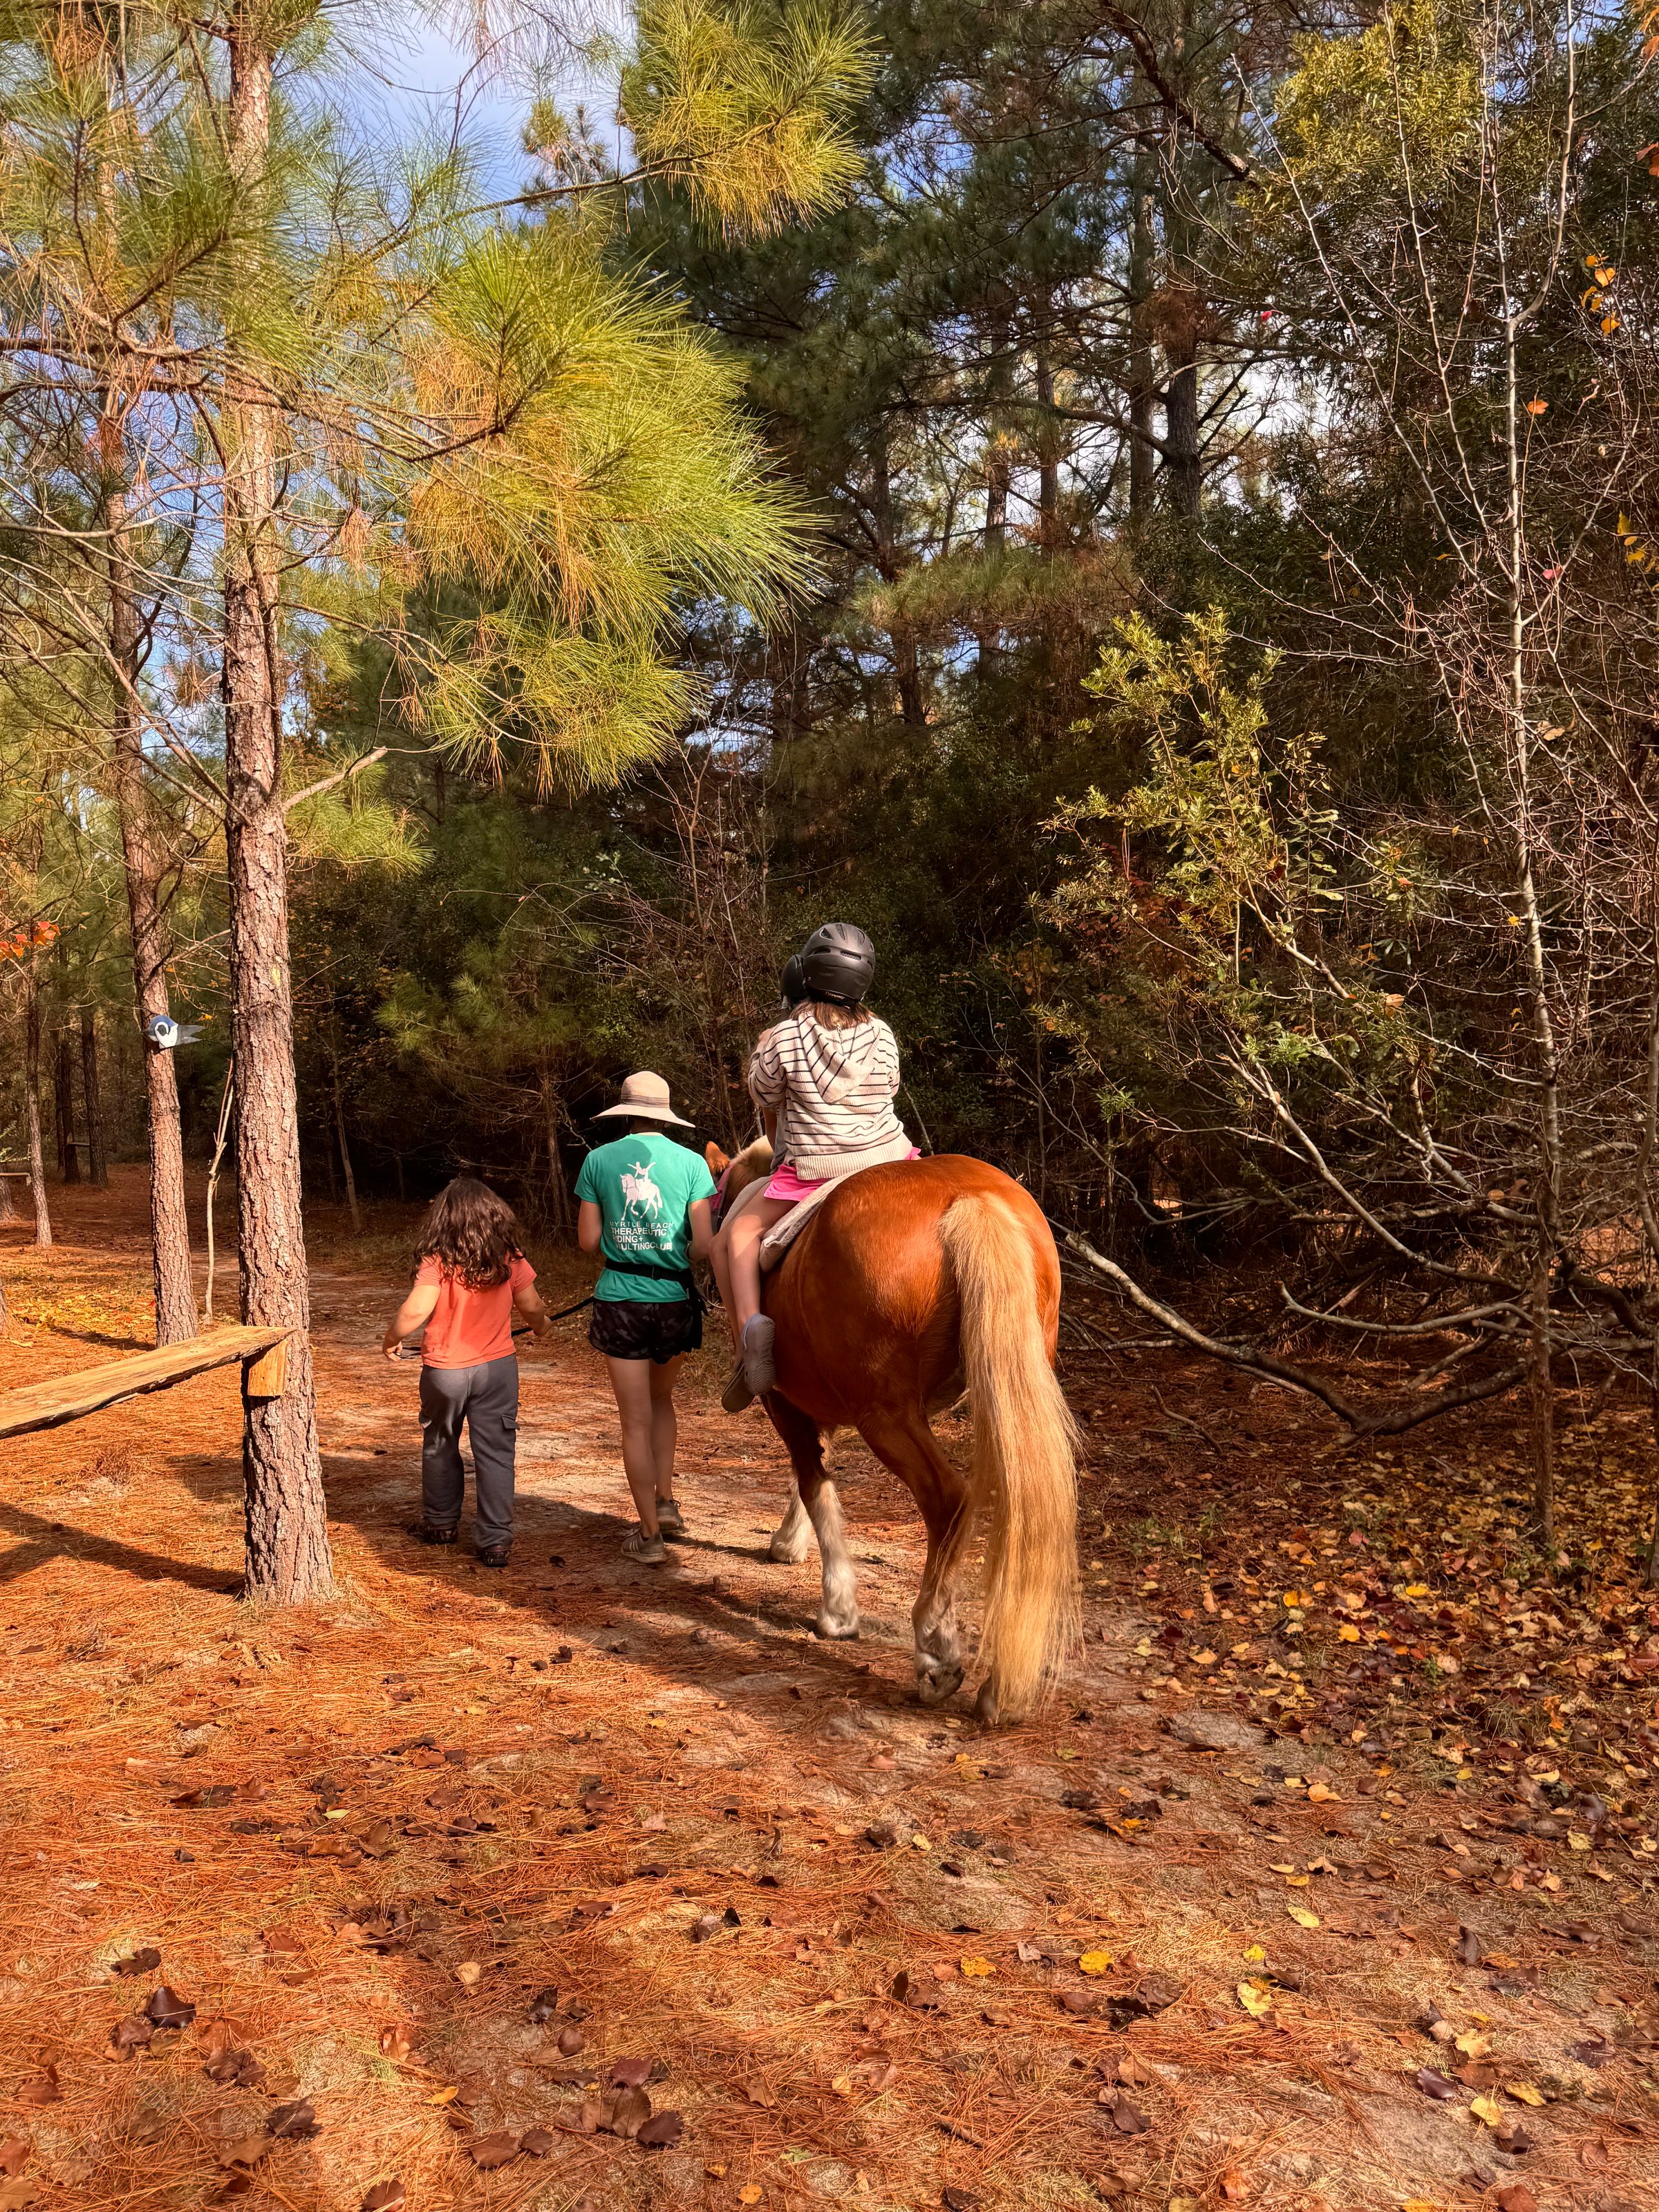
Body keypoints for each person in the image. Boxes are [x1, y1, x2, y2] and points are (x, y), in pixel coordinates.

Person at [720, 922, 915, 1405]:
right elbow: (889, 1088)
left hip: (816, 1170)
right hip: (889, 1159)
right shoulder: (882, 1031)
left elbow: (762, 1093)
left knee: (738, 1234)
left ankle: (750, 1337)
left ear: (806, 975)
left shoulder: (785, 1036)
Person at [574, 1070, 715, 1565]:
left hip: (621, 1301)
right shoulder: (695, 1164)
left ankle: (650, 1537)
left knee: (634, 1421)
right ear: (665, 1113)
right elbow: (703, 1246)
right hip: (674, 1300)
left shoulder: (597, 1161)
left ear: (626, 1112)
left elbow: (589, 1242)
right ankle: (666, 1501)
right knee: (662, 1401)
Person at [382, 1176, 551, 1567]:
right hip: (497, 1369)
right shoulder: (510, 1255)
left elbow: (414, 1311)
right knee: (495, 1451)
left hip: (445, 1371)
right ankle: (495, 1542)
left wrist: (390, 1338)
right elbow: (532, 1306)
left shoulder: (437, 1259)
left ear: (443, 1218)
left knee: (440, 1441)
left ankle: (440, 1524)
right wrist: (543, 1327)